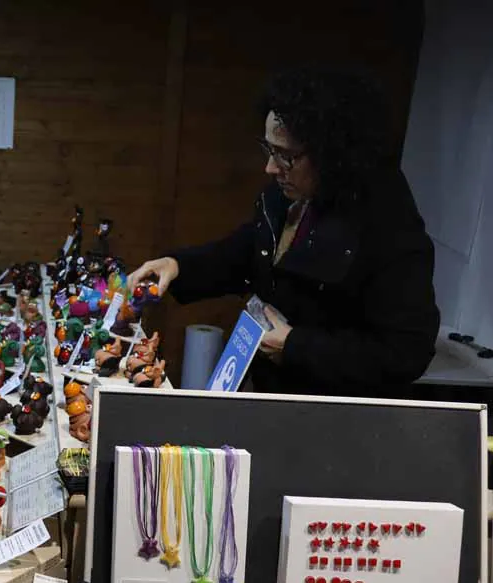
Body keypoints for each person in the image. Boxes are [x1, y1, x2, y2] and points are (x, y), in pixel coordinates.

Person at [128, 69, 440, 397]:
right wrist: (177, 266)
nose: (271, 168)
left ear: (332, 154)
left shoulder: (388, 225)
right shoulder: (289, 195)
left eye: (287, 156)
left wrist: (294, 346)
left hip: (332, 416)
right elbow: (247, 251)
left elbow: (406, 353)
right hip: (271, 393)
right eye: (269, 149)